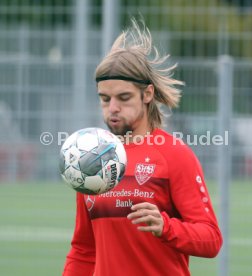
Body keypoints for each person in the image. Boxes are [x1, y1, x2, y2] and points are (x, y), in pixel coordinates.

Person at [63, 19, 222, 276]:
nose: (112, 107)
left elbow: (211, 239)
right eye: (105, 99)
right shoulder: (90, 159)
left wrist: (165, 227)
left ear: (147, 95)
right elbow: (84, 250)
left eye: (123, 98)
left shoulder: (174, 155)